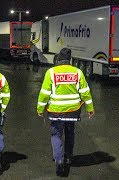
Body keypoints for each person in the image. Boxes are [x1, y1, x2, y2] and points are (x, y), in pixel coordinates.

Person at [36, 48, 95, 176]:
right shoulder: (78, 72)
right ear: (69, 60)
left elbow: (44, 94)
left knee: (56, 135)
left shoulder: (51, 72)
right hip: (73, 112)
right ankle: (68, 157)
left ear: (58, 59)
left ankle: (59, 161)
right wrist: (90, 108)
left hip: (56, 112)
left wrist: (40, 109)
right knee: (70, 134)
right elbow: (85, 92)